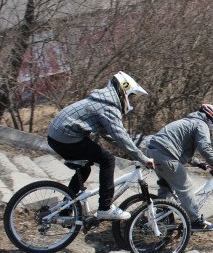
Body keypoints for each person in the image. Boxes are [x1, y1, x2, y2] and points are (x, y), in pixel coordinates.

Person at [48, 71, 154, 220]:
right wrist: (142, 158)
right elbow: (120, 136)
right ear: (123, 91)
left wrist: (134, 151)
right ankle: (105, 207)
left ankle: (67, 207)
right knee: (108, 160)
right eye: (130, 96)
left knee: (85, 169)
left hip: (56, 135)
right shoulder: (109, 107)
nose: (130, 101)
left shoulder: (102, 101)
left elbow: (109, 134)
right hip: (66, 136)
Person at [147, 104, 213, 231]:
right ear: (210, 118)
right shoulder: (201, 124)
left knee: (166, 187)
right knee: (186, 186)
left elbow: (181, 151)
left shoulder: (188, 122)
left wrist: (200, 164)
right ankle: (195, 221)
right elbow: (205, 148)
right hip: (165, 155)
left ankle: (159, 219)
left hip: (153, 152)